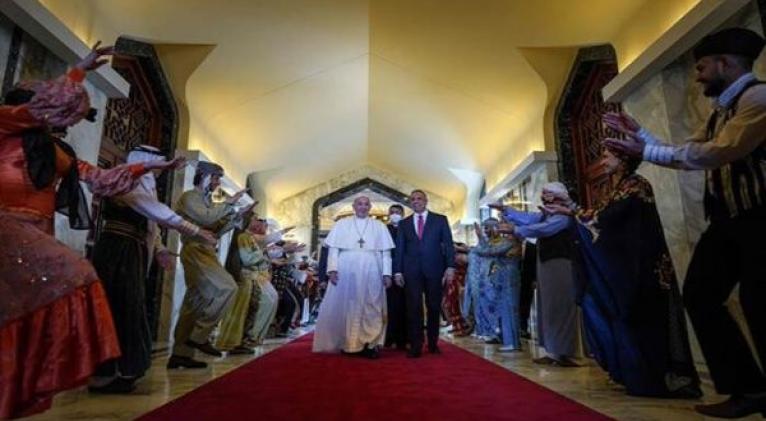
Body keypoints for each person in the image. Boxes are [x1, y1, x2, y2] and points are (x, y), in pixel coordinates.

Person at [0, 42, 181, 419]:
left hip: (36, 233)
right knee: (75, 275)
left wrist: (150, 169)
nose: (62, 115)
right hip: (7, 226)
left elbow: (100, 179)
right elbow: (42, 106)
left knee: (20, 312)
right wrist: (79, 70)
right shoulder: (6, 122)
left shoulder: (56, 150)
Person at [603, 27, 766, 417]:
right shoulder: (720, 112)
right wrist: (640, 134)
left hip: (760, 218)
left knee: (759, 302)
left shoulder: (758, 98)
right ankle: (747, 388)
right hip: (728, 220)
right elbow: (687, 148)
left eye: (702, 66)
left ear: (724, 63)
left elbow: (719, 152)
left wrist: (645, 150)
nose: (698, 75)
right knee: (700, 294)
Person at [545, 149, 702, 398]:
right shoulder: (616, 189)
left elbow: (607, 221)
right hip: (626, 268)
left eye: (608, 156)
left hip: (640, 268)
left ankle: (654, 378)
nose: (603, 161)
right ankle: (633, 374)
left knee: (645, 322)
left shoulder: (636, 185)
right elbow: (599, 218)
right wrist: (573, 212)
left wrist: (572, 211)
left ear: (623, 160)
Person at [90, 145, 215, 393]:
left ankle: (126, 370)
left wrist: (159, 249)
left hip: (131, 252)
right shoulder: (124, 178)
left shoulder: (146, 183)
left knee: (128, 308)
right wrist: (194, 230)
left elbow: (150, 224)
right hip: (117, 251)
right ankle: (112, 370)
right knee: (118, 308)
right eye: (157, 163)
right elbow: (152, 210)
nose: (161, 169)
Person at [168, 162, 252, 369]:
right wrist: (229, 203)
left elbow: (216, 229)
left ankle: (180, 354)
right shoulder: (190, 197)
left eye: (219, 179)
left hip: (206, 251)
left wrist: (236, 217)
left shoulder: (209, 200)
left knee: (194, 305)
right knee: (228, 287)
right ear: (203, 176)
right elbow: (206, 217)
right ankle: (199, 336)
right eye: (214, 178)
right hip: (195, 250)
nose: (217, 183)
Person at [492, 182, 579, 367]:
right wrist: (507, 210)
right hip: (548, 263)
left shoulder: (563, 215)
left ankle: (563, 352)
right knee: (548, 307)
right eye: (544, 193)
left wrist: (515, 230)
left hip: (560, 263)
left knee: (559, 306)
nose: (544, 196)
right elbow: (530, 219)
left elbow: (544, 229)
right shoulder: (546, 213)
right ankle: (554, 351)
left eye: (548, 194)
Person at [313, 196, 394, 359]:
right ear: (353, 206)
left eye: (366, 204)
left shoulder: (379, 226)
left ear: (370, 207)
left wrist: (387, 273)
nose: (363, 207)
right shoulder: (341, 224)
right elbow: (334, 249)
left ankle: (370, 343)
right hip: (347, 268)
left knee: (372, 303)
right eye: (360, 204)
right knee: (349, 304)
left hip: (373, 267)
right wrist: (332, 270)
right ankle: (350, 343)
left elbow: (386, 253)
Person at [394, 190, 456, 358]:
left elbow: (449, 244)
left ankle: (433, 343)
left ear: (426, 201)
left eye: (419, 199)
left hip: (435, 269)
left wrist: (450, 267)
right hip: (411, 271)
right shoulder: (404, 224)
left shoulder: (440, 220)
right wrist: (398, 271)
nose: (416, 202)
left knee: (434, 307)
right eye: (412, 199)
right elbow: (399, 248)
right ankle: (416, 345)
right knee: (413, 308)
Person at [217, 215, 290, 352]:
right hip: (248, 277)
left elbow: (258, 253)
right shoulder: (244, 237)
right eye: (255, 219)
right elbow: (248, 259)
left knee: (263, 304)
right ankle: (245, 339)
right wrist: (266, 253)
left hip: (255, 277)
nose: (258, 222)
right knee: (258, 306)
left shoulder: (249, 237)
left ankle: (248, 339)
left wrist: (267, 256)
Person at [471, 219, 523, 352]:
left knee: (509, 309)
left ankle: (512, 342)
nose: (500, 228)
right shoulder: (509, 241)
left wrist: (480, 238)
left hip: (508, 277)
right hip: (504, 278)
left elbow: (488, 251)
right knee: (505, 308)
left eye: (504, 225)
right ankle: (510, 340)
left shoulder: (510, 242)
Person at [384, 204, 408, 350]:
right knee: (389, 306)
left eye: (397, 212)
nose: (394, 214)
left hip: (406, 271)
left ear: (403, 214)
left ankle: (404, 338)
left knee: (406, 306)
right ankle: (389, 337)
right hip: (388, 271)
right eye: (392, 212)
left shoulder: (407, 228)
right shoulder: (384, 229)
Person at [444, 242, 471, 336]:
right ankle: (456, 326)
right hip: (452, 283)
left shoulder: (462, 257)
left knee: (455, 305)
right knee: (449, 304)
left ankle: (461, 327)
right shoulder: (451, 256)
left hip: (460, 283)